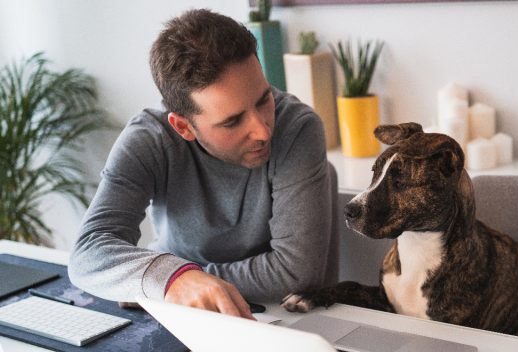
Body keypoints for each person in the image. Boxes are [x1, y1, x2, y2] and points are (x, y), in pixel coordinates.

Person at [68, 9, 333, 320]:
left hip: (280, 313)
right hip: (178, 311)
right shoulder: (149, 139)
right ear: (184, 127)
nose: (263, 131)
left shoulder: (298, 128)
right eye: (232, 121)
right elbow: (88, 253)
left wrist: (173, 281)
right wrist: (174, 281)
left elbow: (295, 272)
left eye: (263, 99)